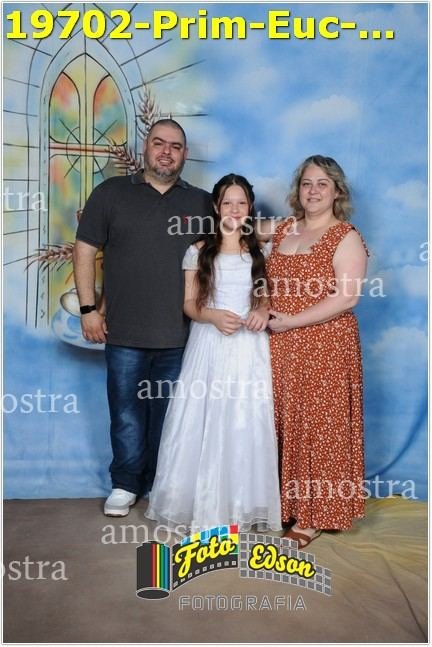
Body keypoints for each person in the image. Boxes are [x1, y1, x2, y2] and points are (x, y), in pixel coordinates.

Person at [72, 119, 212, 516]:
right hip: (123, 332)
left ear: (185, 154)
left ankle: (162, 484)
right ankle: (125, 483)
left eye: (176, 146)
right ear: (145, 147)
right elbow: (84, 251)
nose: (167, 152)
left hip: (181, 335)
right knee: (126, 413)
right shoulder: (111, 193)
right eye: (159, 143)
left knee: (171, 416)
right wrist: (88, 309)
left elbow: (237, 242)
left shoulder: (203, 203)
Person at [145, 174, 281, 532]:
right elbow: (189, 304)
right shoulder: (199, 250)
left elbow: (264, 297)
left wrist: (262, 311)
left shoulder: (261, 250)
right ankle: (201, 502)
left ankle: (243, 503)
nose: (234, 209)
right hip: (209, 342)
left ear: (250, 207)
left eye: (241, 203)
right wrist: (212, 316)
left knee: (246, 419)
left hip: (250, 346)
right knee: (202, 417)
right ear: (216, 207)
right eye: (227, 203)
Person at [265, 155, 368, 548]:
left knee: (320, 428)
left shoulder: (345, 236)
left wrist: (292, 321)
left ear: (337, 191)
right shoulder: (283, 229)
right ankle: (285, 504)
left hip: (326, 344)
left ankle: (313, 516)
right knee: (284, 422)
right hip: (280, 344)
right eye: (307, 183)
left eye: (322, 183)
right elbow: (233, 226)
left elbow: (347, 298)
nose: (313, 190)